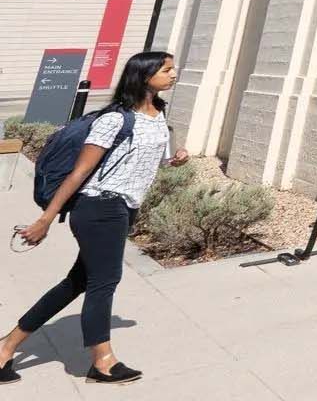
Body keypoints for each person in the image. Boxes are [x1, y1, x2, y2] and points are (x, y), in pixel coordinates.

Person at [2, 52, 188, 386]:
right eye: (167, 69)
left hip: (125, 207)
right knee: (105, 282)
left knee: (78, 282)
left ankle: (5, 349)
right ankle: (102, 361)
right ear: (145, 76)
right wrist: (46, 218)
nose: (174, 74)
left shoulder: (158, 112)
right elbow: (80, 172)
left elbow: (145, 162)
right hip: (100, 208)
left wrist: (173, 161)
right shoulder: (114, 120)